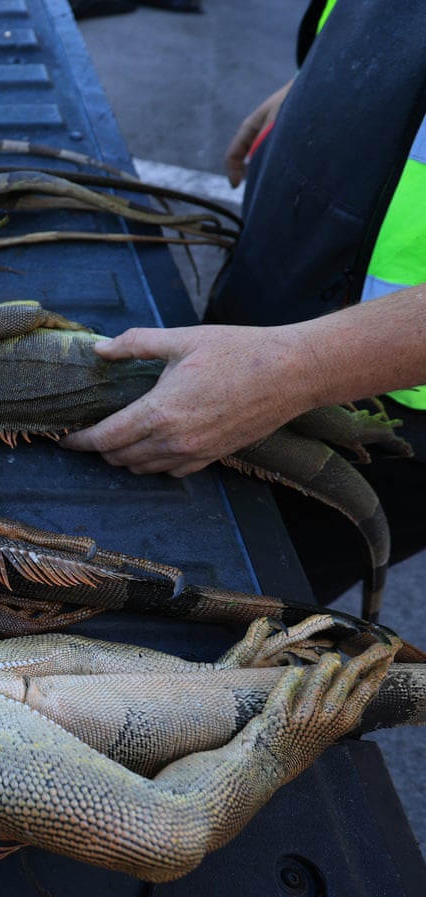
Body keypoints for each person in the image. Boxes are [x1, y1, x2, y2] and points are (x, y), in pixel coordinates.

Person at [61, 0, 426, 606]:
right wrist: (337, 84)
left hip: (390, 400)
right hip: (274, 318)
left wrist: (298, 366)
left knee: (190, 600)